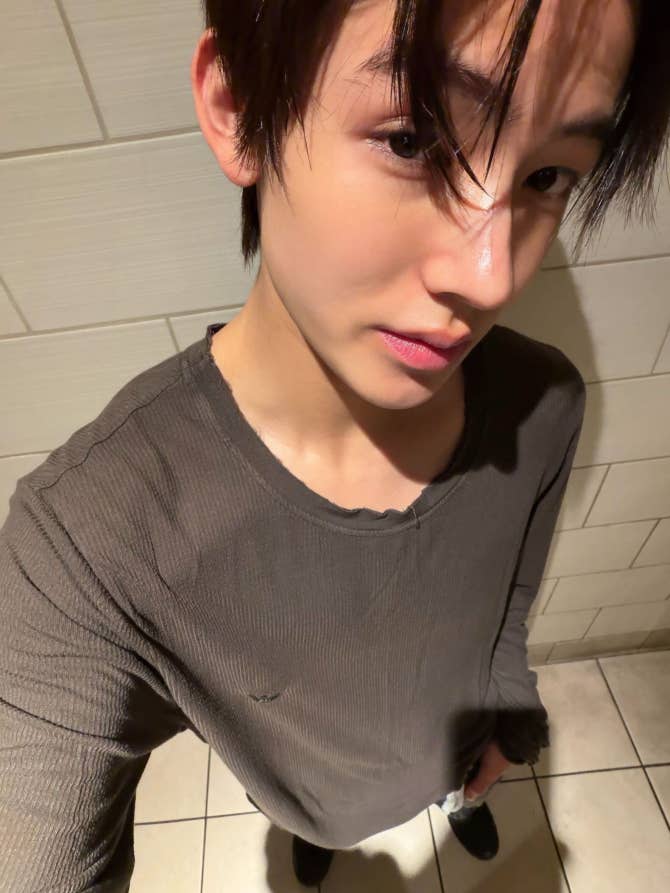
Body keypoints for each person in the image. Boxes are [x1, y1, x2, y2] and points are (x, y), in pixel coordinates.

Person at [1, 0, 668, 890]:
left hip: (459, 744)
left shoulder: (542, 403)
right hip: (314, 801)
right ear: (241, 108)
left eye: (547, 176)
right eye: (412, 139)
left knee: (463, 787)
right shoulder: (87, 545)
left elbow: (508, 594)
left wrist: (508, 704)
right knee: (321, 831)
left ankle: (457, 801)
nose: (492, 275)